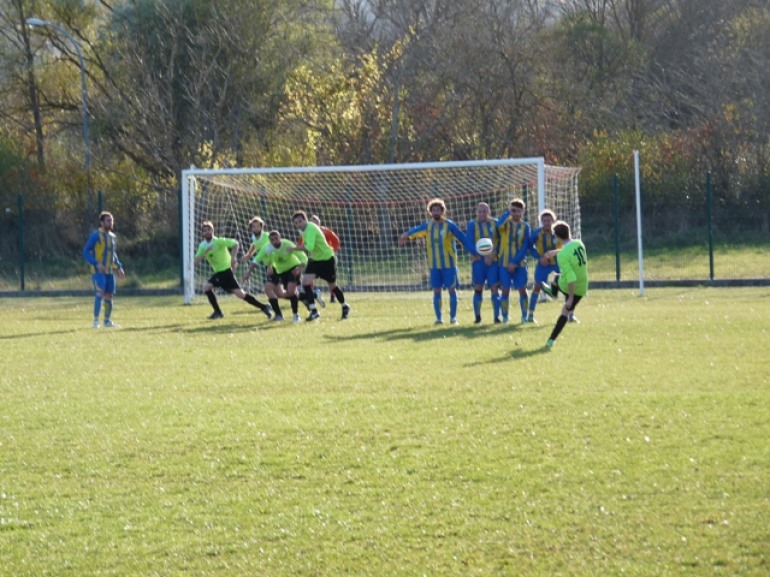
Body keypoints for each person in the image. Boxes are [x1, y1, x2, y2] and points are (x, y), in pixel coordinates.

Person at [399, 198, 466, 325]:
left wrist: (470, 248)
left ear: (442, 211)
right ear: (431, 212)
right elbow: (416, 230)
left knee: (452, 290)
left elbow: (461, 237)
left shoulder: (449, 225)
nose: (435, 212)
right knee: (436, 291)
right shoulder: (428, 226)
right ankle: (439, 319)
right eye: (433, 210)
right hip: (434, 265)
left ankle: (453, 318)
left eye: (438, 210)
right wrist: (406, 235)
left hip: (449, 265)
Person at [194, 221, 272, 320]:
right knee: (240, 294)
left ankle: (218, 312)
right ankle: (264, 307)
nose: (207, 232)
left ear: (213, 231)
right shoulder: (202, 246)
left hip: (225, 271)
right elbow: (196, 262)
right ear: (202, 233)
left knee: (206, 287)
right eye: (205, 230)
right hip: (220, 272)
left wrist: (233, 258)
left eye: (209, 230)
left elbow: (235, 243)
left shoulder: (218, 241)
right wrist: (206, 251)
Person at [291, 210, 351, 321]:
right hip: (315, 260)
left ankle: (345, 306)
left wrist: (293, 248)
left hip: (327, 259)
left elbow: (309, 248)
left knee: (332, 286)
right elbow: (306, 245)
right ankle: (314, 311)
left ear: (305, 220)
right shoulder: (303, 230)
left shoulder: (311, 228)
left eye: (300, 221)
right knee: (305, 282)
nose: (298, 224)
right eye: (296, 223)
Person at [540, 220, 588, 349]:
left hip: (571, 286)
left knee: (556, 278)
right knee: (566, 312)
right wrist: (553, 252)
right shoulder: (579, 243)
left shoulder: (562, 257)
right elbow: (567, 249)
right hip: (583, 286)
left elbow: (571, 277)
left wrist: (570, 297)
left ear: (557, 237)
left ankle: (553, 292)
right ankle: (551, 341)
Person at [83, 211, 125, 328]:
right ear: (101, 222)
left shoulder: (112, 237)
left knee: (109, 295)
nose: (110, 222)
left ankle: (107, 321)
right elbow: (86, 251)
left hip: (110, 272)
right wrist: (96, 263)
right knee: (100, 293)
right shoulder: (95, 235)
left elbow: (113, 255)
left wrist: (119, 267)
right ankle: (96, 321)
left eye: (111, 220)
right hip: (98, 272)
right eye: (108, 220)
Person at [255, 230, 304, 323]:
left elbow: (301, 255)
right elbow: (257, 258)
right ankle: (309, 296)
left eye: (276, 238)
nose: (275, 241)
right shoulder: (268, 248)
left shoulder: (287, 244)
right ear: (270, 241)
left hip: (293, 268)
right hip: (279, 271)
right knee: (279, 293)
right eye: (272, 239)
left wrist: (300, 267)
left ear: (280, 238)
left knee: (291, 291)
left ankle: (295, 315)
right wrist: (269, 266)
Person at [464, 202, 501, 324]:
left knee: (494, 288)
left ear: (488, 212)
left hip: (493, 261)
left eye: (484, 211)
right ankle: (477, 317)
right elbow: (469, 243)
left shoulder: (495, 223)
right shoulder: (472, 224)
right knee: (478, 288)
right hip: (478, 262)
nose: (481, 214)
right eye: (479, 211)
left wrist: (492, 254)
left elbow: (501, 241)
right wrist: (480, 255)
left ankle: (497, 317)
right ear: (476, 213)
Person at [496, 198, 531, 323]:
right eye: (513, 211)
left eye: (518, 211)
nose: (516, 213)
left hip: (520, 264)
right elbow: (498, 226)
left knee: (522, 288)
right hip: (504, 263)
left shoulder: (525, 226)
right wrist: (507, 213)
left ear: (523, 212)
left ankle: (524, 316)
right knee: (505, 289)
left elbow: (524, 247)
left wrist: (515, 262)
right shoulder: (505, 224)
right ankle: (505, 316)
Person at [527, 209, 559, 323]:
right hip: (543, 264)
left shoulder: (559, 232)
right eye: (544, 220)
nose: (546, 223)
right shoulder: (537, 233)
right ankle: (530, 315)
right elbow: (529, 246)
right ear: (541, 221)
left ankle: (570, 314)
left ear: (553, 220)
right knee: (537, 285)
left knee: (569, 285)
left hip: (558, 263)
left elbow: (567, 244)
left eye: (548, 220)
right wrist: (539, 258)